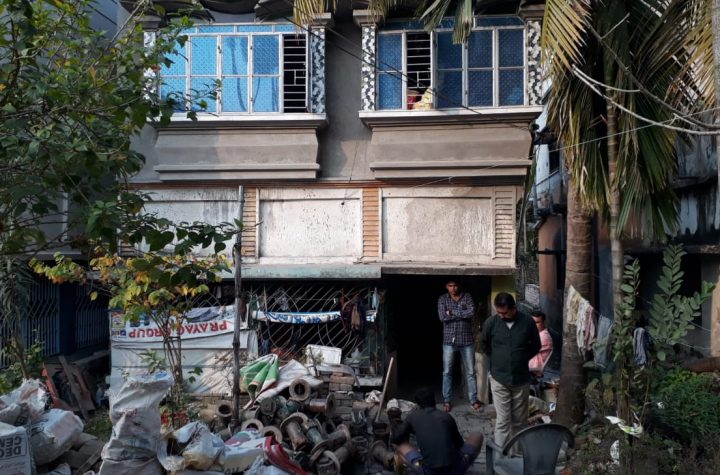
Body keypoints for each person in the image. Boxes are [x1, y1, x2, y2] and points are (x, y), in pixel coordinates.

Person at [481, 292, 541, 449]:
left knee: (520, 420)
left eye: (504, 312)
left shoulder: (527, 322)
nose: (501, 316)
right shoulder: (491, 323)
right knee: (503, 420)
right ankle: (501, 454)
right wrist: (497, 359)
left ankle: (518, 453)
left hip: (521, 379)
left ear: (513, 308)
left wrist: (521, 358)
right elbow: (484, 344)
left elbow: (536, 345)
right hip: (499, 379)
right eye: (498, 312)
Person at [391, 387, 483, 475]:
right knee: (477, 436)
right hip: (456, 469)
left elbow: (395, 438)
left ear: (418, 404)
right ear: (434, 400)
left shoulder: (413, 416)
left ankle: (404, 463)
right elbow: (459, 444)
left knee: (402, 446)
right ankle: (463, 464)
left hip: (429, 471)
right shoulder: (446, 417)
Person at [437, 279, 482, 412]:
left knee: (471, 372)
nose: (453, 288)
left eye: (455, 285)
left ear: (459, 286)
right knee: (447, 372)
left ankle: (473, 400)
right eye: (450, 285)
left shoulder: (467, 296)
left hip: (466, 340)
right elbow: (442, 317)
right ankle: (447, 401)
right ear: (446, 286)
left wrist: (451, 312)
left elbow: (471, 312)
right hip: (449, 341)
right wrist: (461, 314)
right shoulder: (442, 299)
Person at [528, 310, 553, 376]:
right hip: (530, 366)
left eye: (537, 322)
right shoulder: (537, 333)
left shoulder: (544, 336)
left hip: (534, 369)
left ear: (544, 322)